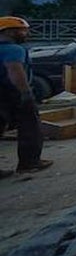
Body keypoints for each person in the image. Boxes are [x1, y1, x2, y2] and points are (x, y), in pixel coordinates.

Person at [0, 16, 51, 176]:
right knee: (30, 126)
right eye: (22, 30)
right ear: (9, 31)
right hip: (12, 93)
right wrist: (26, 93)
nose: (26, 34)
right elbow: (15, 71)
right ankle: (29, 163)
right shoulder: (14, 50)